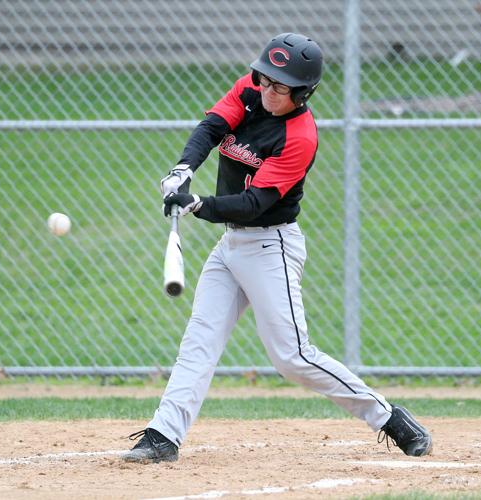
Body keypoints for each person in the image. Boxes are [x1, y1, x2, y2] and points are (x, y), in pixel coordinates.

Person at [123, 33, 433, 463]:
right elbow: (211, 127)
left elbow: (255, 204)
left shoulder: (299, 136)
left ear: (303, 92)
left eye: (279, 86)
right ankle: (164, 436)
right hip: (231, 244)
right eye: (264, 78)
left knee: (292, 357)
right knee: (200, 340)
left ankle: (389, 418)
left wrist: (197, 203)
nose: (267, 90)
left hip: (271, 247)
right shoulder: (251, 90)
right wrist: (183, 169)